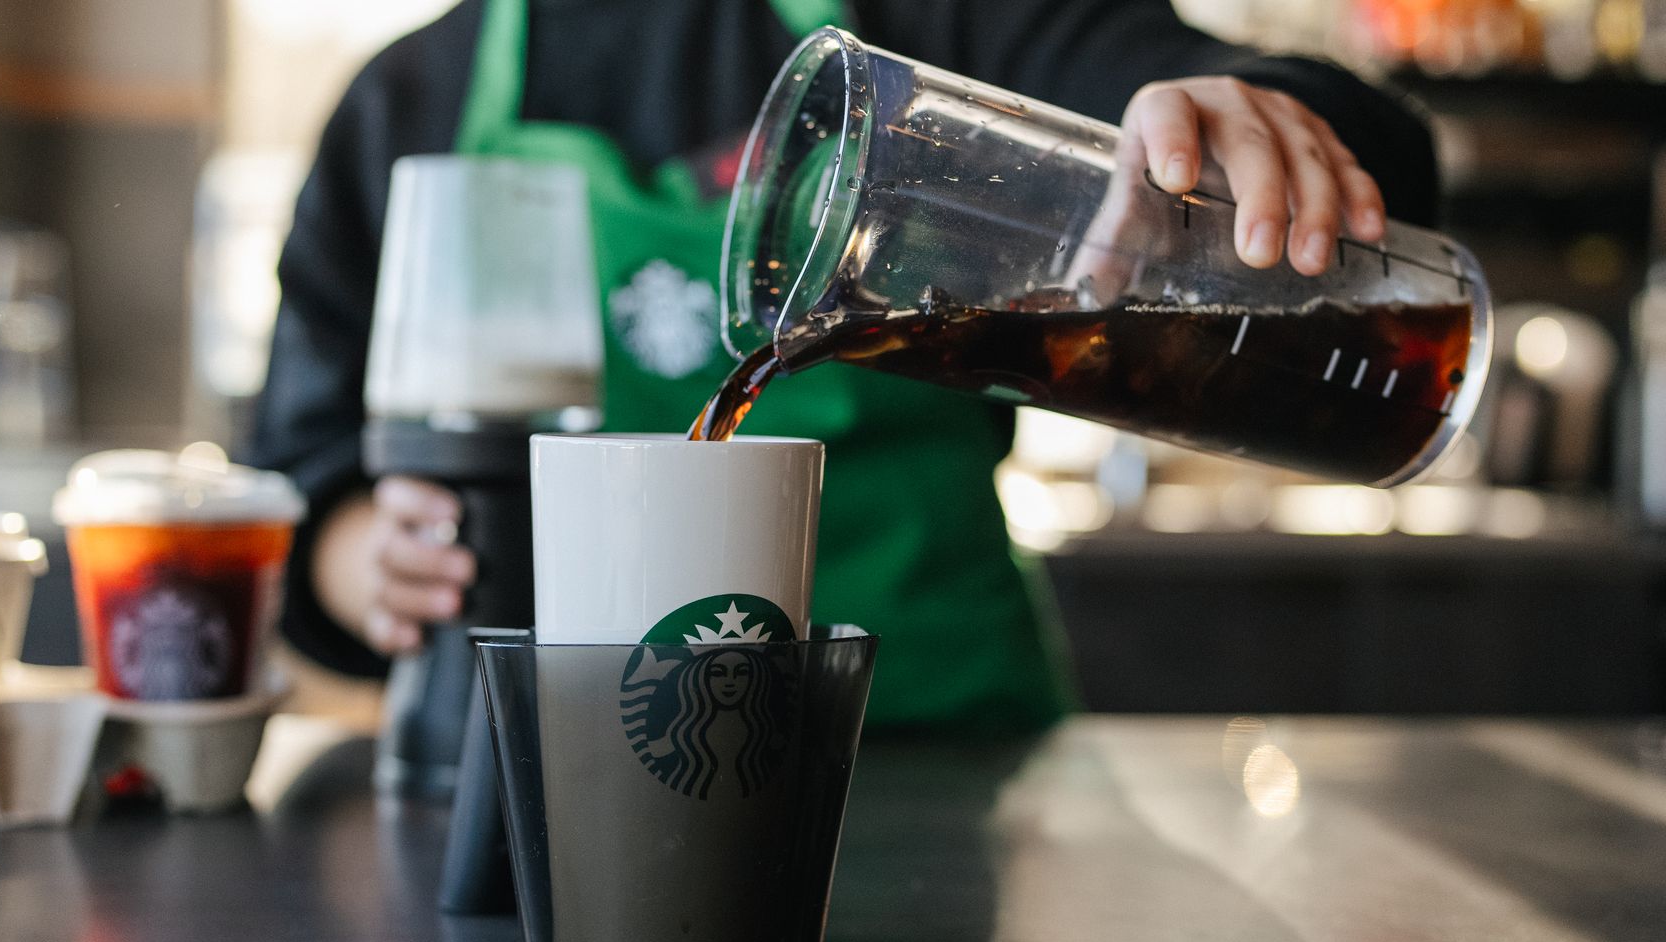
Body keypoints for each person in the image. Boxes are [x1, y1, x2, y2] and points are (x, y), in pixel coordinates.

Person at [245, 0, 1438, 734]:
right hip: (555, 786)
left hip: (944, 750)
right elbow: (301, 491)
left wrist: (1253, 119)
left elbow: (1222, 93)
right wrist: (373, 564)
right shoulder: (406, 101)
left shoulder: (938, 22)